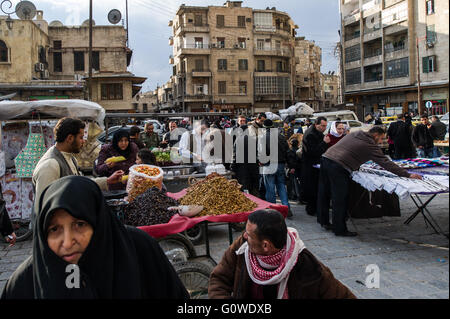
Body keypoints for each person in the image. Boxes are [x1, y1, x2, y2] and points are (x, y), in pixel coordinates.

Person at [0, 176, 189, 299]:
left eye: (79, 225)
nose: (67, 242)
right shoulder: (25, 282)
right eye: (54, 229)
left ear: (98, 221)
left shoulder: (139, 250)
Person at [208, 209, 356, 299]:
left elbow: (341, 294)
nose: (244, 236)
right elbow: (218, 279)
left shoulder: (305, 264)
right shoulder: (242, 248)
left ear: (266, 245)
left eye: (249, 234)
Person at [317, 126, 422, 237]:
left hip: (326, 158)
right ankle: (339, 229)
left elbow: (349, 149)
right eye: (381, 139)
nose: (381, 142)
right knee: (340, 198)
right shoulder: (370, 145)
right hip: (338, 166)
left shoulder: (356, 133)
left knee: (324, 193)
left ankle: (324, 221)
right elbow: (385, 163)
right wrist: (407, 174)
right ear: (375, 135)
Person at [33, 118, 123, 206]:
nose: (83, 141)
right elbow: (44, 205)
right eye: (81, 137)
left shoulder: (71, 159)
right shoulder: (51, 165)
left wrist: (107, 181)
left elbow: (81, 184)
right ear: (70, 138)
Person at [259, 119, 292, 217]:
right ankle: (287, 208)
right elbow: (287, 150)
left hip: (269, 165)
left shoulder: (263, 137)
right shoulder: (281, 137)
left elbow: (261, 153)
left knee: (270, 188)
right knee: (281, 186)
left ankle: (272, 211)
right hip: (280, 164)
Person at [301, 116, 330, 216]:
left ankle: (314, 208)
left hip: (315, 165)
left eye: (325, 126)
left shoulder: (317, 133)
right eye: (322, 126)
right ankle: (312, 209)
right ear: (316, 124)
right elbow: (312, 151)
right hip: (311, 166)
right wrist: (324, 143)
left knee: (315, 189)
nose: (324, 128)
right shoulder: (310, 134)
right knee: (313, 189)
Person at [231, 124, 260, 197]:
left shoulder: (238, 140)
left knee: (243, 187)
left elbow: (235, 155)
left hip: (242, 167)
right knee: (253, 187)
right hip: (253, 166)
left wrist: (232, 167)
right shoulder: (254, 139)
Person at [286, 139, 302, 204]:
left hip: (293, 169)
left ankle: (294, 195)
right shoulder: (299, 150)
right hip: (298, 168)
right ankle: (297, 196)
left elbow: (290, 161)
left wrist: (291, 168)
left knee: (293, 183)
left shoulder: (290, 151)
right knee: (297, 183)